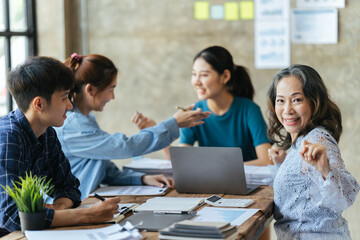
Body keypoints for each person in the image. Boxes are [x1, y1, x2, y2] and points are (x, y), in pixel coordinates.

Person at [133, 46, 272, 239]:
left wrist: (221, 168)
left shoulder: (249, 109)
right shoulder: (195, 112)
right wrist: (156, 132)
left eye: (204, 75)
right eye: (193, 75)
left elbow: (266, 159)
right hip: (210, 195)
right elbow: (182, 162)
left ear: (225, 76)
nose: (196, 82)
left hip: (250, 195)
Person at [55, 53, 210, 199]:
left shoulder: (85, 119)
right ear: (90, 89)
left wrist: (142, 178)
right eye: (111, 89)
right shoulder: (73, 125)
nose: (113, 97)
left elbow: (103, 168)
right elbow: (125, 147)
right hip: (74, 206)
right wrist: (174, 123)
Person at [0, 57, 121, 236]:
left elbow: (69, 186)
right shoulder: (8, 138)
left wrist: (59, 206)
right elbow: (12, 217)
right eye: (64, 97)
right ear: (39, 104)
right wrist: (85, 215)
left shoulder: (47, 132)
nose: (70, 105)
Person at [267, 64, 359, 239]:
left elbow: (345, 197)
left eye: (297, 100)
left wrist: (326, 170)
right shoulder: (300, 141)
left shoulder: (317, 138)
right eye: (281, 100)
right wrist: (281, 164)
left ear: (314, 101)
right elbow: (300, 193)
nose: (287, 110)